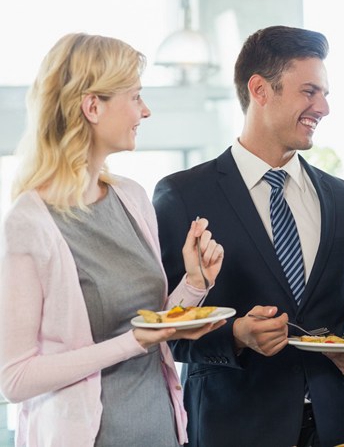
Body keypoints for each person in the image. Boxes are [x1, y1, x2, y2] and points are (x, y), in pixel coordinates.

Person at [152, 25, 344, 447]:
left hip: (340, 426)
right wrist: (236, 335)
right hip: (234, 428)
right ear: (260, 90)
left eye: (326, 93)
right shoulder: (183, 195)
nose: (324, 108)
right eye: (310, 92)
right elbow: (164, 329)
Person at [0, 33, 225, 447]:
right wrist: (132, 342)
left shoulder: (131, 197)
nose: (146, 110)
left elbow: (152, 326)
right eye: (136, 96)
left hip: (160, 431)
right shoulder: (29, 221)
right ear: (92, 106)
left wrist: (194, 283)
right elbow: (15, 378)